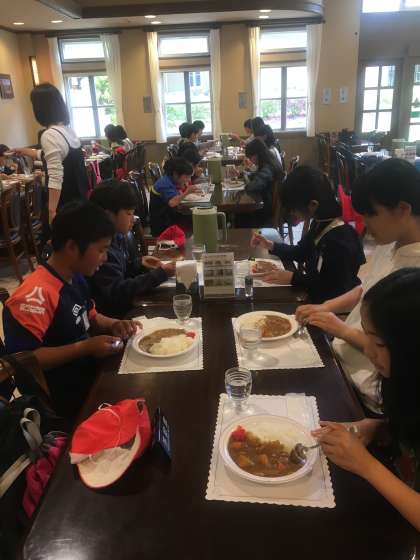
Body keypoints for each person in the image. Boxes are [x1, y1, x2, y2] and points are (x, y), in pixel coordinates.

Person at [296, 159, 420, 414]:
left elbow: (399, 355)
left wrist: (341, 329)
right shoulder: (391, 243)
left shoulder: (413, 274)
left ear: (402, 209)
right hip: (343, 359)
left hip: (368, 393)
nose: (364, 223)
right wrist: (326, 307)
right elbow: (365, 288)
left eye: (371, 214)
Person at [2, 201, 140, 420]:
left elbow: (90, 315)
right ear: (72, 247)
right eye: (101, 250)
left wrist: (113, 323)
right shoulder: (34, 296)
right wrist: (85, 347)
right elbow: (24, 360)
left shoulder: (75, 276)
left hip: (91, 376)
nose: (105, 258)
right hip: (64, 402)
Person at [314, 268, 420, 531]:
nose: (369, 351)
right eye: (366, 336)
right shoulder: (406, 381)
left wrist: (366, 465)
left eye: (380, 344)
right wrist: (379, 427)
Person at [251, 166, 365, 302]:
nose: (292, 213)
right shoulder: (320, 221)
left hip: (330, 307)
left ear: (313, 205)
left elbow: (331, 288)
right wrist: (270, 245)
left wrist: (293, 278)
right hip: (316, 297)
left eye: (293, 209)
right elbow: (301, 252)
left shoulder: (340, 239)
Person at [89, 180, 176, 317]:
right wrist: (161, 274)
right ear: (108, 215)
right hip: (117, 317)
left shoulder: (117, 235)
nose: (133, 219)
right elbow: (118, 291)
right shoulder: (101, 248)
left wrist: (139, 263)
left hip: (127, 307)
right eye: (129, 213)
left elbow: (120, 271)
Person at [14, 83, 89, 224]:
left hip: (65, 204)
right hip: (79, 199)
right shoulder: (67, 130)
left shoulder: (49, 135)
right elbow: (56, 157)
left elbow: (56, 176)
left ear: (40, 108)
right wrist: (25, 151)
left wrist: (52, 211)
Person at [149, 158, 196, 236]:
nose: (189, 180)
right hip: (162, 225)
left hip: (170, 218)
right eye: (186, 177)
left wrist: (184, 188)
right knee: (194, 220)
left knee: (194, 218)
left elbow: (177, 194)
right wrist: (187, 192)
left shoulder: (170, 180)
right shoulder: (164, 183)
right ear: (176, 174)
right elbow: (172, 203)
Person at [243, 138, 283, 227]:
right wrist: (245, 175)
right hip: (267, 203)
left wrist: (246, 184)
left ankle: (242, 233)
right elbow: (259, 176)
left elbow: (253, 186)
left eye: (250, 157)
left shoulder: (268, 167)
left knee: (238, 216)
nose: (250, 160)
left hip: (265, 208)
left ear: (257, 154)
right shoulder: (270, 160)